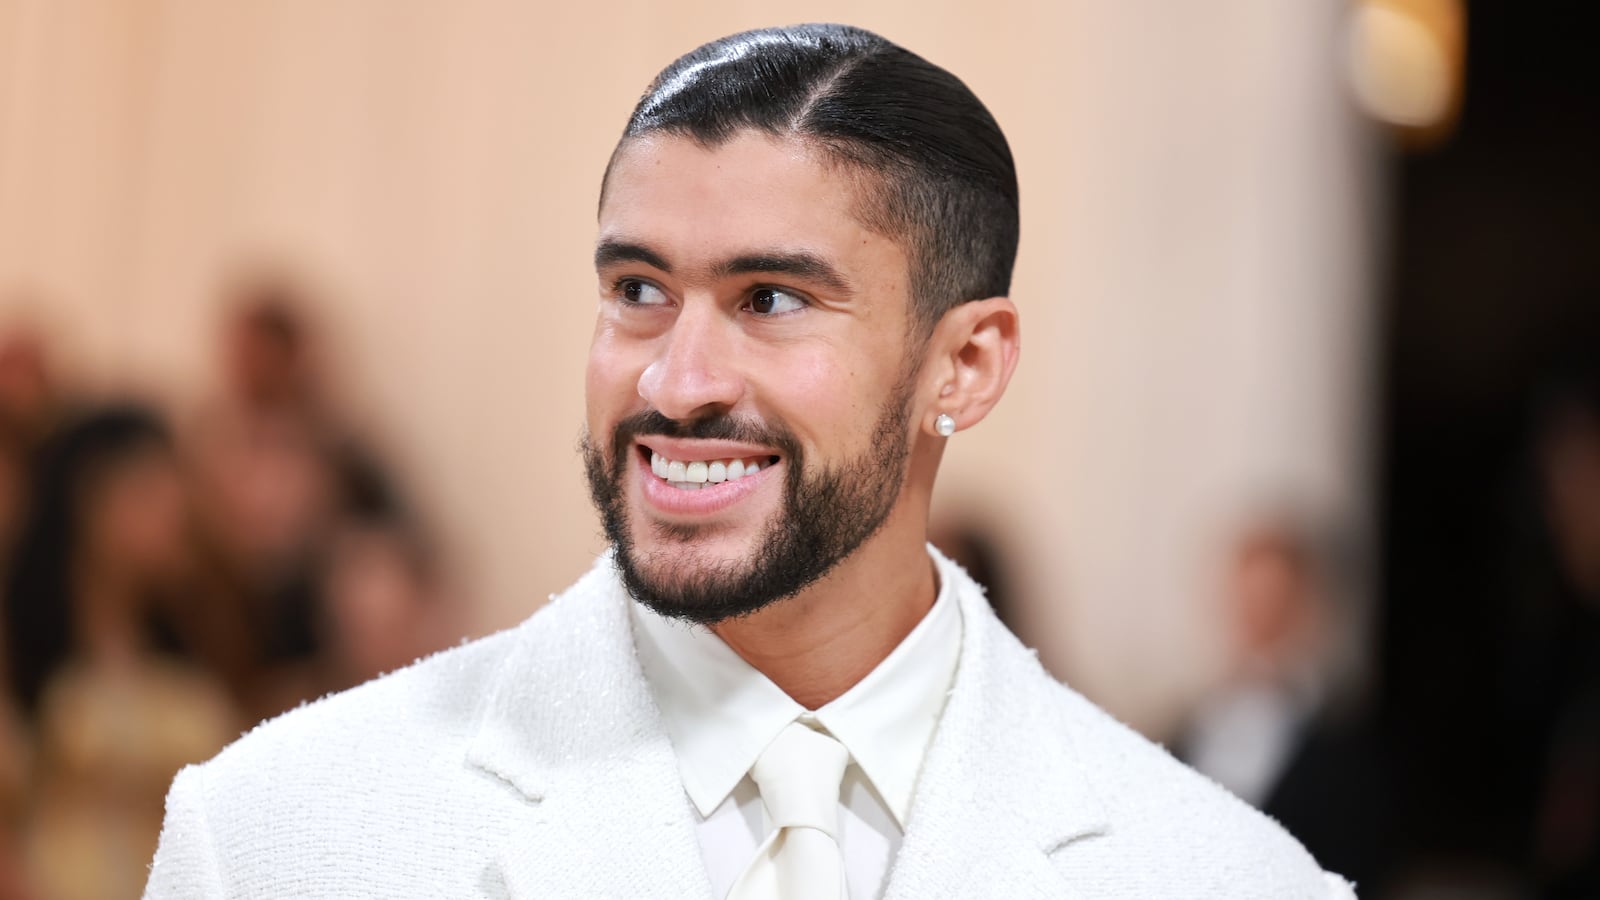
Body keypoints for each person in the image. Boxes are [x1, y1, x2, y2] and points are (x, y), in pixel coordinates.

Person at [145, 24, 1356, 898]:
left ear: (967, 366)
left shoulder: (1227, 881)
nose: (674, 382)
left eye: (770, 299)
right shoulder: (277, 838)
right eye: (636, 291)